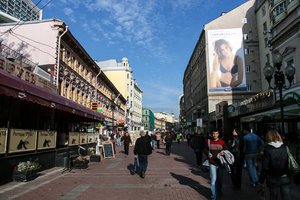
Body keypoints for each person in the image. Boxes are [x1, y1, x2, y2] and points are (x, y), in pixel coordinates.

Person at [258, 130, 292, 200]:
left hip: (272, 178)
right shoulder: (285, 147)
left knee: (274, 197)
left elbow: (265, 167)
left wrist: (261, 180)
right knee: (287, 197)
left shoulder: (267, 149)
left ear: (268, 137)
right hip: (285, 176)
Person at [204, 129, 227, 200]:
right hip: (212, 163)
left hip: (220, 164)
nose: (215, 135)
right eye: (213, 134)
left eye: (216, 134)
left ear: (218, 134)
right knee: (213, 180)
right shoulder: (208, 141)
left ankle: (219, 191)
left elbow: (226, 150)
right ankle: (213, 196)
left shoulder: (222, 142)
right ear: (212, 134)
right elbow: (205, 149)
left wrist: (223, 152)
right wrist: (208, 153)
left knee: (219, 180)